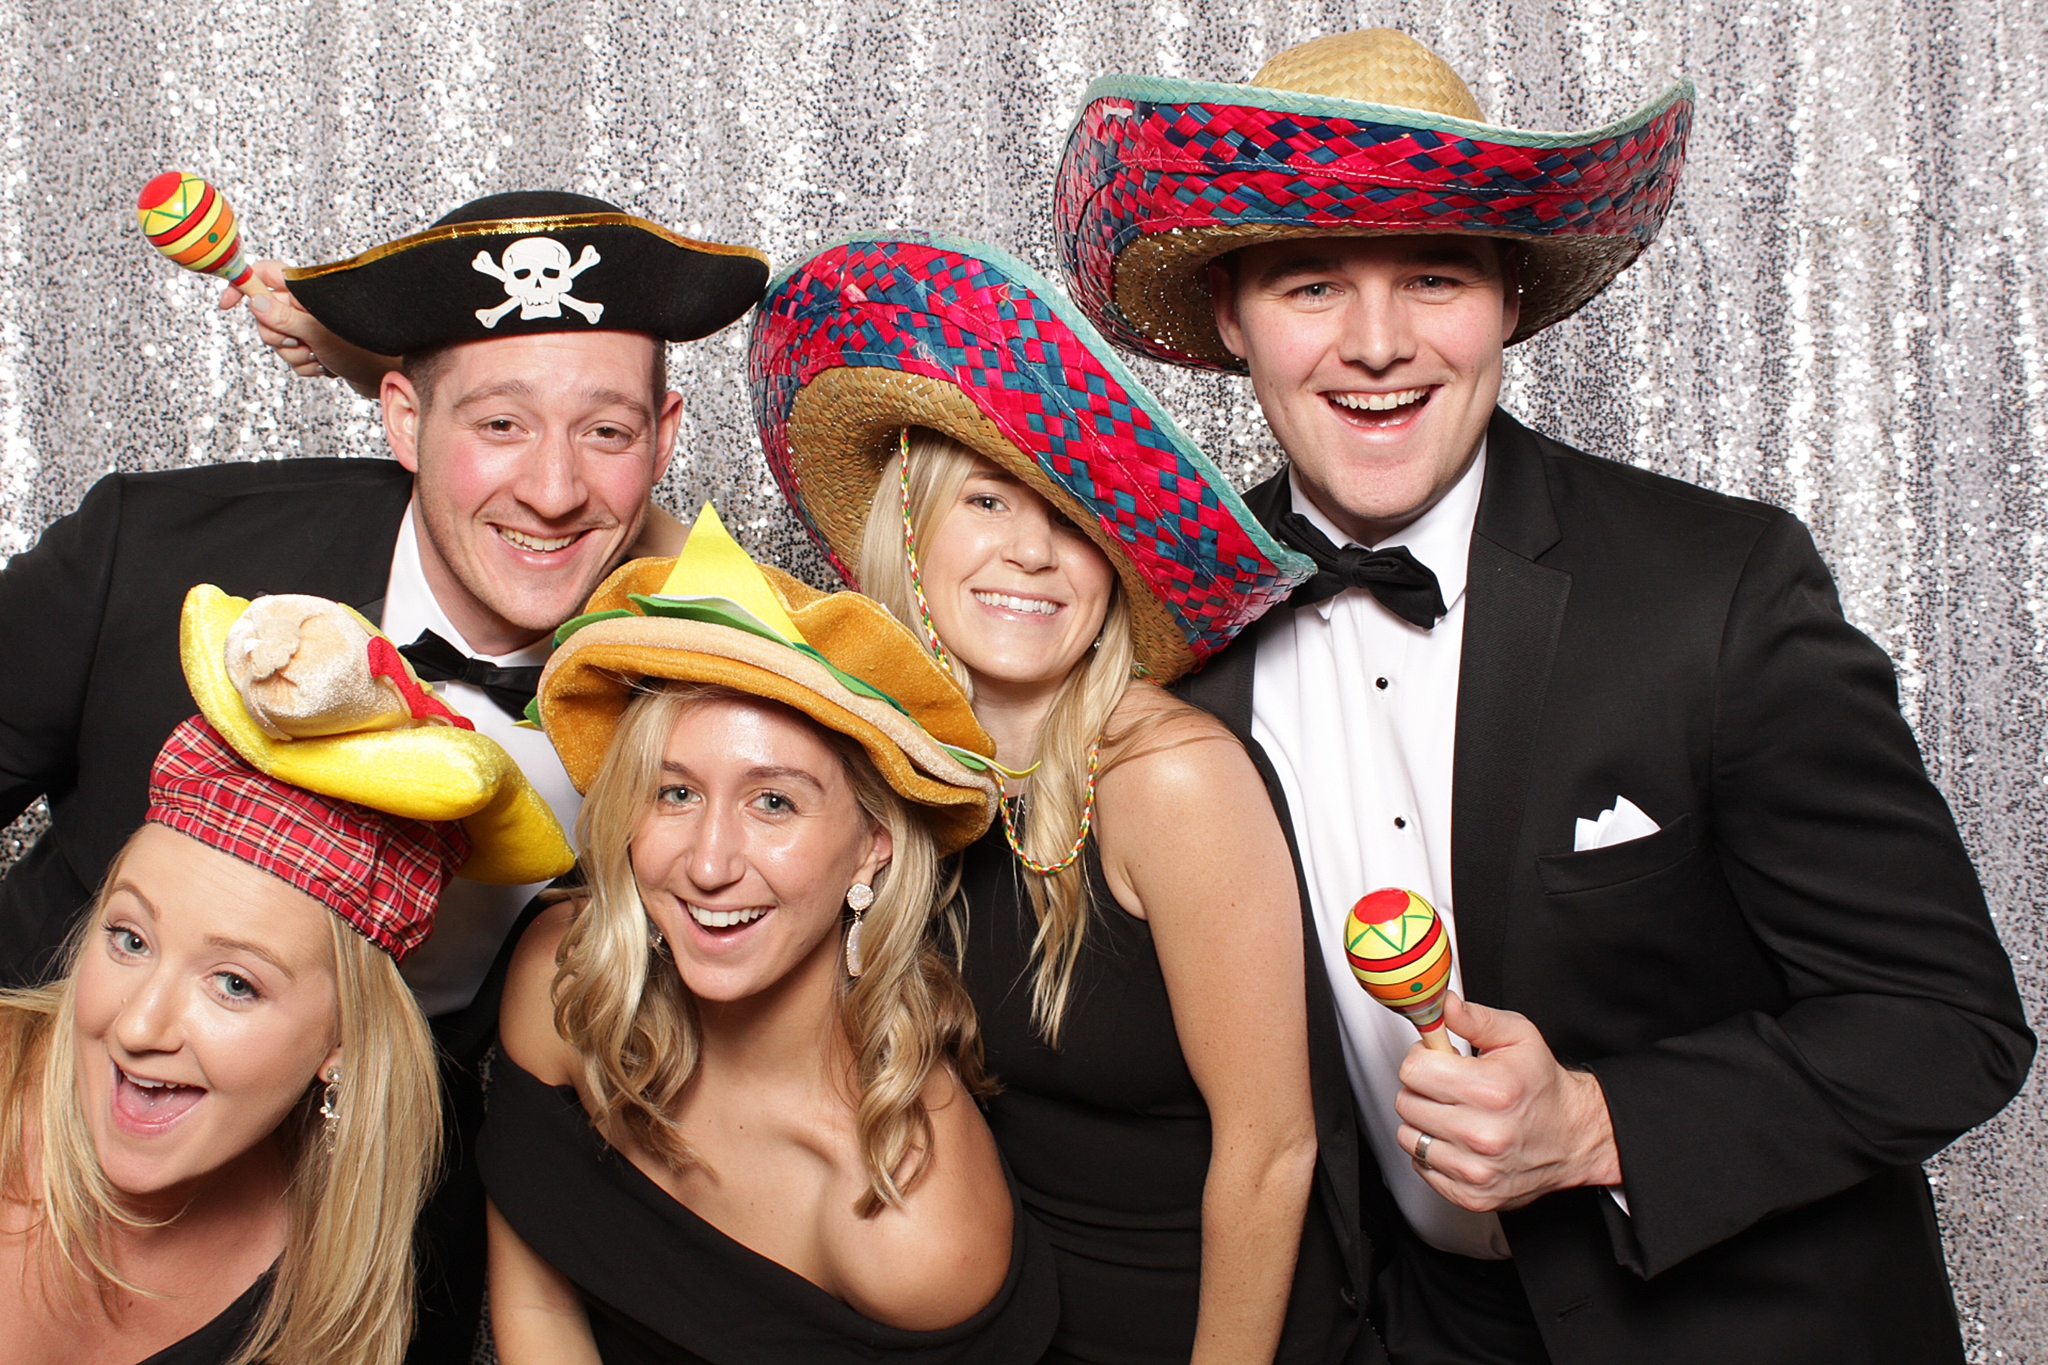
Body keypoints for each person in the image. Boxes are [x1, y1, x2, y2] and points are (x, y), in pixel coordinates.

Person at [1052, 27, 2035, 1365]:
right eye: (1312, 283)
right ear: (1232, 318)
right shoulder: (1168, 631)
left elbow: (1950, 1024)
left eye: (1436, 276)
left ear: (1511, 293)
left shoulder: (1719, 589)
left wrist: (1598, 1121)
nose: (1379, 345)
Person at [0, 188, 768, 1359]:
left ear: (664, 444)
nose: (554, 492)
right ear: (400, 420)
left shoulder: (704, 687)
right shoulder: (150, 559)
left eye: (605, 434)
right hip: (58, 1125)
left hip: (391, 1212)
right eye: (497, 426)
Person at [752, 234, 1376, 1363]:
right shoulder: (881, 764)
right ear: (907, 526)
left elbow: (1274, 1149)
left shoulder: (1167, 780)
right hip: (996, 1327)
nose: (1034, 552)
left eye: (1076, 518)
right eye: (988, 500)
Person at [481, 504, 1056, 1362]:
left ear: (872, 848)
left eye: (774, 801)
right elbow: (536, 1305)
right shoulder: (563, 978)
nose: (709, 863)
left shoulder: (911, 1224)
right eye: (674, 792)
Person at [0, 581, 572, 1365]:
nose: (138, 1025)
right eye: (130, 939)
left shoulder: (350, 1288)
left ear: (341, 1039)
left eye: (234, 983)